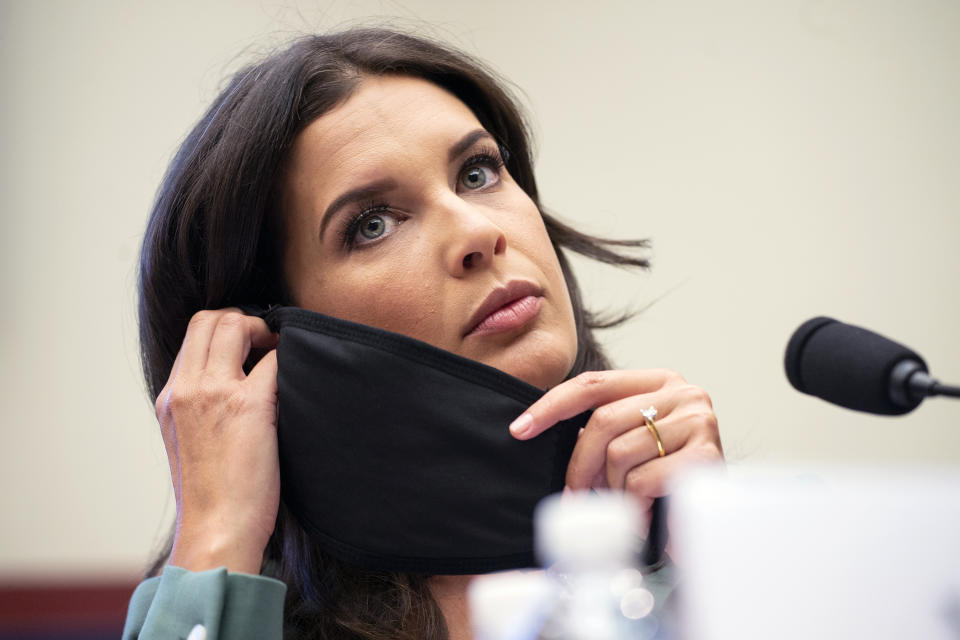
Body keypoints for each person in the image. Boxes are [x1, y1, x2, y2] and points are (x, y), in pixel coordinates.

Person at [122, 27, 724, 640]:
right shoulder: (246, 610)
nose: (479, 234)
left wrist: (712, 543)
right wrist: (217, 537)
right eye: (374, 223)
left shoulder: (678, 557)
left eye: (477, 173)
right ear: (270, 341)